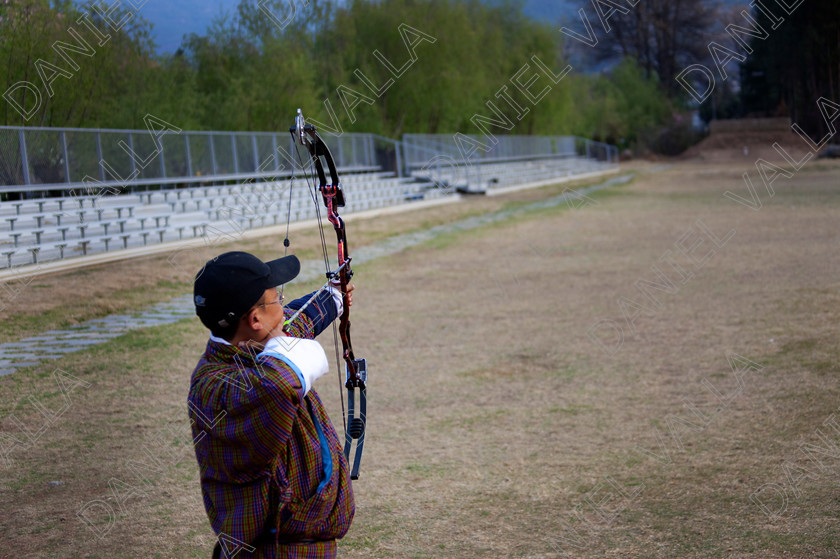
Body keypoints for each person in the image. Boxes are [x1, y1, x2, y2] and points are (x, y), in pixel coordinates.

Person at [188, 251, 355, 558]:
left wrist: (334, 297)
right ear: (254, 319)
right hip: (272, 551)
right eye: (276, 298)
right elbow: (279, 382)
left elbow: (295, 320)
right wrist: (293, 347)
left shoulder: (257, 343)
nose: (282, 306)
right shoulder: (214, 387)